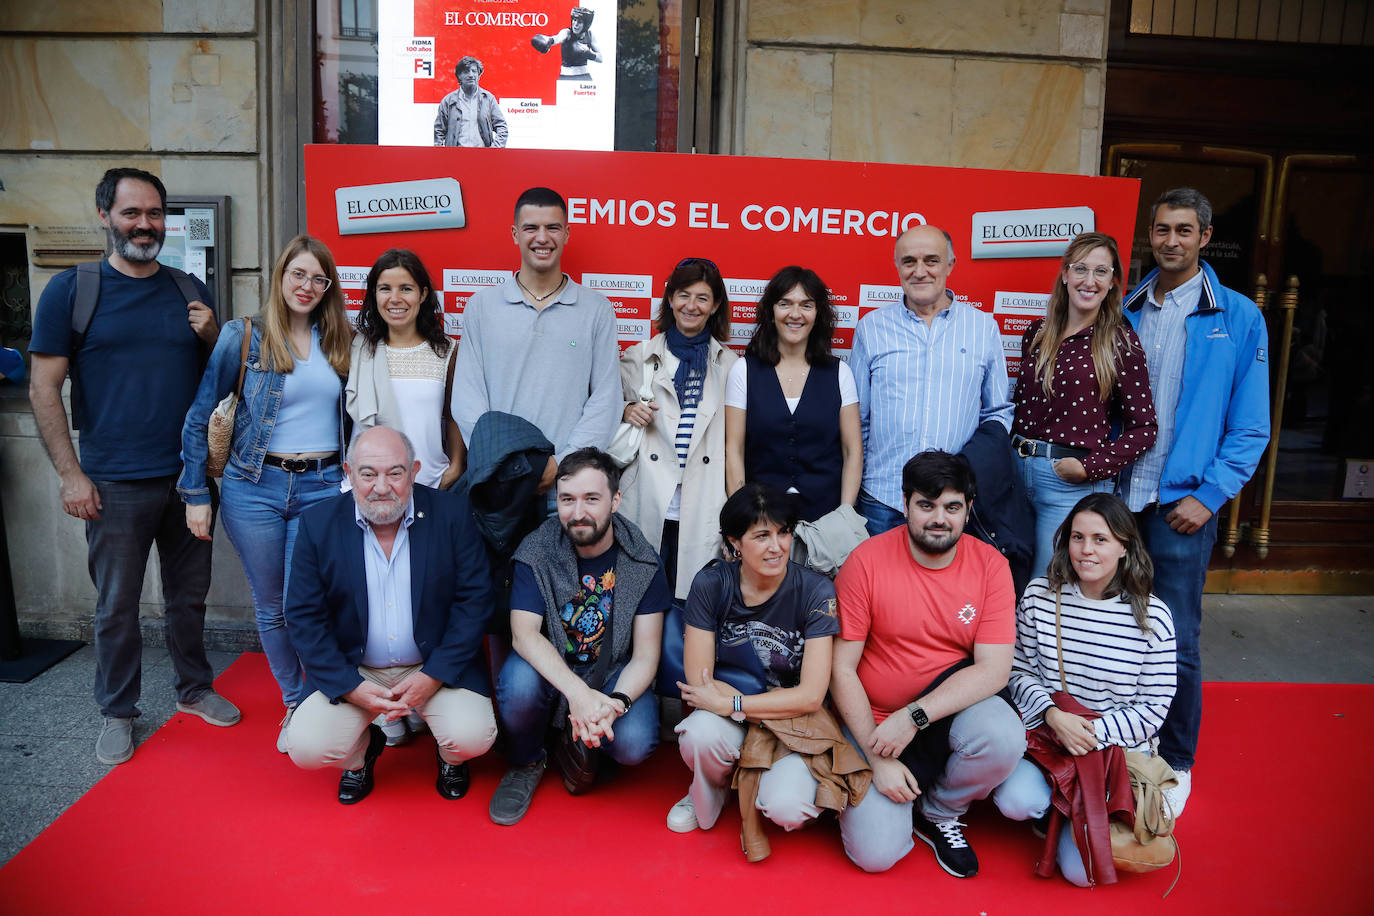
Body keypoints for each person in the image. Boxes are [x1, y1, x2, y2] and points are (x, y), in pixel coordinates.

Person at [29, 167, 238, 765]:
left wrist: (213, 333)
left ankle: (194, 690)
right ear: (105, 217)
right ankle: (118, 709)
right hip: (112, 481)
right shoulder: (73, 291)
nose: (144, 225)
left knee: (188, 597)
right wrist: (72, 475)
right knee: (116, 605)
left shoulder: (188, 288)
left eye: (154, 213)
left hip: (187, 480)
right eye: (131, 213)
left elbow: (224, 381)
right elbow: (44, 390)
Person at [1120, 187, 1269, 815]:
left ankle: (1176, 760)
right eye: (1161, 230)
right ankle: (1120, 749)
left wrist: (1210, 497)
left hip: (1183, 505)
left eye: (1184, 230)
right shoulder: (1123, 307)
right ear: (1149, 236)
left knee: (1176, 638)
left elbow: (1251, 425)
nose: (1171, 241)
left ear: (1205, 237)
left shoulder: (1237, 316)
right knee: (1113, 629)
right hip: (1118, 501)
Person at [179, 235, 352, 752]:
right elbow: (197, 416)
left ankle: (324, 694)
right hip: (254, 487)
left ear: (328, 287)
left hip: (323, 486)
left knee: (311, 601)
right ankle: (296, 702)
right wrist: (195, 492)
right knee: (272, 604)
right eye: (298, 274)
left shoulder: (341, 340)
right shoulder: (243, 336)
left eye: (318, 279)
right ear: (280, 277)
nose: (307, 286)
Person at [831, 451, 1023, 878]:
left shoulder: (992, 566)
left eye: (952, 507)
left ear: (969, 509)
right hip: (875, 725)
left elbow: (994, 671)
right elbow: (840, 669)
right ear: (905, 504)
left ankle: (939, 810)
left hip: (944, 713)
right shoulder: (865, 561)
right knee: (876, 855)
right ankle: (890, 795)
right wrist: (878, 758)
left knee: (1004, 736)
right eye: (927, 505)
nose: (940, 518)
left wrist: (913, 716)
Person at [283, 426, 496, 804]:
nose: (382, 487)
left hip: (432, 663)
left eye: (395, 473)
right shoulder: (318, 525)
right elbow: (303, 617)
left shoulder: (452, 514)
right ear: (349, 473)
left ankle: (449, 759)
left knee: (473, 736)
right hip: (357, 668)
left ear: (414, 471)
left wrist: (434, 676)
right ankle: (360, 757)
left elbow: (475, 600)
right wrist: (350, 686)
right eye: (368, 474)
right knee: (306, 747)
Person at [992, 492, 1176, 886]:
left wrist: (1092, 734)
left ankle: (1076, 817)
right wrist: (1053, 716)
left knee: (1080, 876)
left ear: (1124, 547)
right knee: (1015, 802)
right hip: (1051, 738)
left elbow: (1155, 705)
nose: (1086, 550)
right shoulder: (1041, 596)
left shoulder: (1153, 616)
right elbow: (1018, 669)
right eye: (1077, 537)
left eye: (1100, 539)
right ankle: (1052, 811)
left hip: (1112, 751)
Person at [489, 448, 668, 826]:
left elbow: (646, 656)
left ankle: (584, 738)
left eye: (592, 499)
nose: (578, 512)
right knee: (519, 684)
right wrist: (579, 695)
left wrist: (612, 704)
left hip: (612, 676)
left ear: (615, 501)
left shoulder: (643, 561)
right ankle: (527, 760)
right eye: (567, 500)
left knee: (635, 745)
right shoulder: (536, 551)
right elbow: (524, 636)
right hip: (550, 671)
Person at [668, 484, 843, 838]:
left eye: (783, 533)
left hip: (792, 722)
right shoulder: (712, 583)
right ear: (735, 541)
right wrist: (734, 706)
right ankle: (708, 789)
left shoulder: (816, 590)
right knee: (699, 734)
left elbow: (810, 696)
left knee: (788, 809)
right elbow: (699, 680)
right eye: (761, 535)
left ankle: (756, 775)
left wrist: (735, 703)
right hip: (736, 714)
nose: (776, 546)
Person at [450, 187, 620, 511]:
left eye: (552, 227)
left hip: (568, 494)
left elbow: (606, 400)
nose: (542, 237)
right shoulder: (481, 307)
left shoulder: (597, 310)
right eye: (531, 228)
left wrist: (563, 464)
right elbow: (467, 400)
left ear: (567, 233)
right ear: (515, 234)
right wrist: (505, 464)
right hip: (498, 486)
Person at [849, 226, 1013, 536]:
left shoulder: (982, 328)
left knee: (944, 586)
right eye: (909, 261)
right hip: (883, 500)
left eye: (932, 260)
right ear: (897, 266)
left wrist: (967, 474)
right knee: (877, 585)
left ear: (951, 265)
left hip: (951, 504)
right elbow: (858, 419)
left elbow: (997, 414)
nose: (920, 271)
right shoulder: (872, 327)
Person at [1011, 232, 1157, 577]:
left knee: (1048, 587)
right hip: (1016, 475)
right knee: (1009, 581)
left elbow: (1144, 428)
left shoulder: (1121, 342)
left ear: (1112, 282)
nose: (1089, 281)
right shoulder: (1037, 333)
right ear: (1065, 274)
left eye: (1101, 271)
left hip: (1069, 485)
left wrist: (1090, 467)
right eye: (1080, 269)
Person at [618, 257, 737, 599]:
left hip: (702, 503)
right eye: (684, 294)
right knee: (639, 600)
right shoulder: (638, 356)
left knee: (691, 606)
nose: (691, 306)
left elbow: (735, 444)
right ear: (670, 298)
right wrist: (626, 410)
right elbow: (602, 414)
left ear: (715, 306)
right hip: (647, 499)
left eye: (702, 297)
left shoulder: (730, 367)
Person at [724, 265, 861, 523]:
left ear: (818, 313)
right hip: (761, 515)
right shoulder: (744, 370)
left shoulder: (840, 372)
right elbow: (734, 449)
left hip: (826, 517)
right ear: (771, 311)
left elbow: (852, 450)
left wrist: (845, 516)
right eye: (785, 303)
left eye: (806, 305)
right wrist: (741, 518)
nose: (795, 314)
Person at [346, 248, 463, 490]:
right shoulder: (356, 348)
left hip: (429, 484)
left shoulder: (447, 351)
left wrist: (455, 467)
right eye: (385, 288)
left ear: (423, 294)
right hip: (365, 489)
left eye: (406, 289)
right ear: (374, 295)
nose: (395, 298)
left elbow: (454, 415)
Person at [432, 56, 508, 148]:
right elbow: (438, 131)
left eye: (474, 71)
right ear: (459, 76)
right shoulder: (448, 101)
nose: (471, 75)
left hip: (483, 157)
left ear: (479, 74)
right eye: (466, 71)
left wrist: (495, 149)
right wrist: (441, 155)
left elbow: (502, 127)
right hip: (456, 157)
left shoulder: (488, 99)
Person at [532, 6, 602, 80]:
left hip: (584, 76)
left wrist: (588, 53)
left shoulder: (590, 35)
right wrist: (549, 40)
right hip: (566, 77)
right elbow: (558, 38)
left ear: (586, 25)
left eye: (580, 22)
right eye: (574, 20)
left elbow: (600, 59)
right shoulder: (567, 32)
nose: (575, 24)